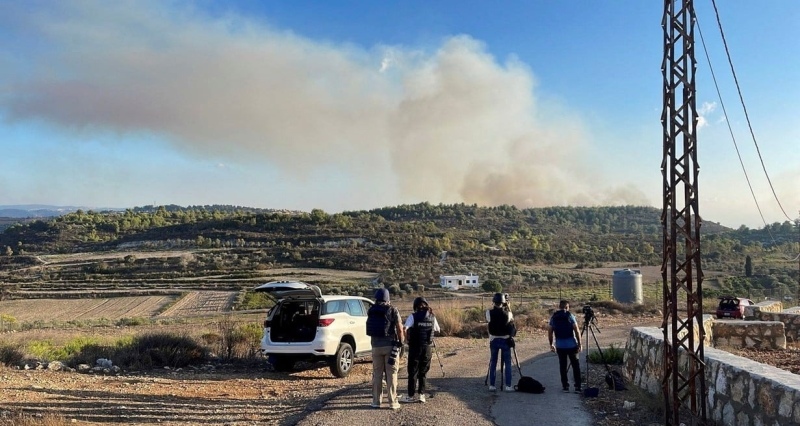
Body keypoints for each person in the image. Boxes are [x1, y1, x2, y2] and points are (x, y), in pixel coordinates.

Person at [366, 288, 405, 410]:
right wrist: (401, 343)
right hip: (390, 346)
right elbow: (399, 328)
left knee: (377, 374)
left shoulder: (371, 310)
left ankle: (376, 402)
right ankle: (393, 402)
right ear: (387, 298)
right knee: (392, 373)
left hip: (375, 346)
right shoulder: (393, 310)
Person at [401, 297, 440, 403]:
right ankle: (421, 395)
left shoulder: (413, 316)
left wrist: (406, 340)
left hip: (415, 347)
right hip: (427, 348)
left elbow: (405, 328)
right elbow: (437, 329)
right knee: (423, 372)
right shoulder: (432, 317)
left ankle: (410, 395)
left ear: (415, 306)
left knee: (412, 372)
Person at [548, 300, 583, 394]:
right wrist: (580, 343)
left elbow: (550, 332)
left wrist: (551, 344)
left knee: (562, 366)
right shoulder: (570, 316)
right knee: (576, 366)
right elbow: (577, 331)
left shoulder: (554, 317)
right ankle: (578, 387)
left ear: (559, 307)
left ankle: (565, 386)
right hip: (572, 345)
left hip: (560, 346)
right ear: (567, 307)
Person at [486, 292, 516, 392]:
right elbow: (511, 323)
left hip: (494, 340)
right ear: (503, 302)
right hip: (505, 340)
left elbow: (489, 322)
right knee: (508, 363)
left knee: (493, 362)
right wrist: (508, 308)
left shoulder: (488, 313)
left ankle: (492, 385)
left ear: (494, 302)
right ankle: (508, 386)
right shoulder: (509, 313)